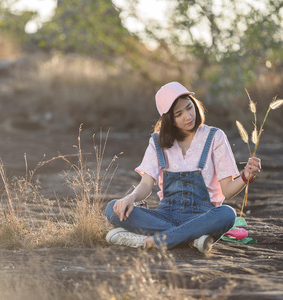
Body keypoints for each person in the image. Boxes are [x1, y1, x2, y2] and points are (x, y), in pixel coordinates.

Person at [105, 82, 261, 253]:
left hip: (203, 216)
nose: (188, 116)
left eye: (189, 107)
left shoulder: (215, 137)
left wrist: (246, 175)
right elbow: (146, 184)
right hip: (165, 215)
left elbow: (228, 191)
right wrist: (130, 198)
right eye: (179, 114)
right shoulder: (157, 142)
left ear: (194, 103)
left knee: (227, 214)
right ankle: (192, 239)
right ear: (168, 119)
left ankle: (153, 240)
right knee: (113, 208)